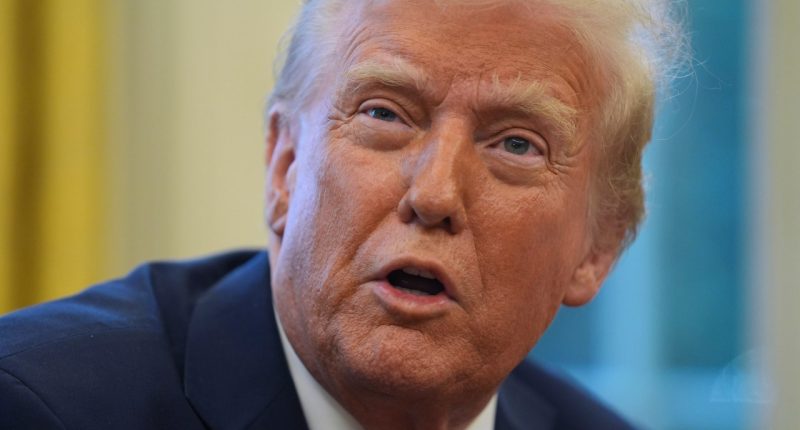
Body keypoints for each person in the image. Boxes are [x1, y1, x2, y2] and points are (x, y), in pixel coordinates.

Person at [0, 0, 683, 429]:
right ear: (285, 166)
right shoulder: (38, 405)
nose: (435, 194)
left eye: (515, 144)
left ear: (601, 244)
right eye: (384, 113)